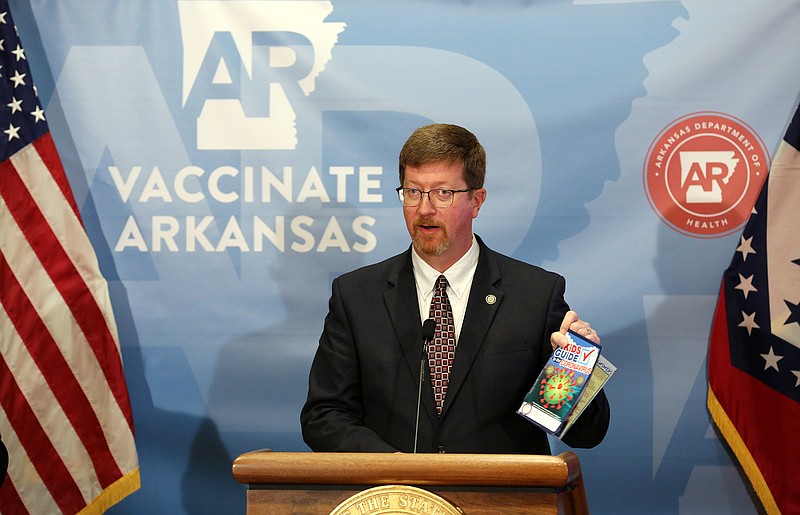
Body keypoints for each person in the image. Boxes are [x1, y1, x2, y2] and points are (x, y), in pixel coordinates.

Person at [300, 123, 609, 454]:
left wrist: (574, 365)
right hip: (396, 498)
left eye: (442, 193)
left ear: (476, 201)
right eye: (413, 192)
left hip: (500, 500)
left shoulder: (535, 294)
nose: (424, 209)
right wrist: (393, 466)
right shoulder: (357, 296)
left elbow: (587, 435)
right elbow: (324, 417)